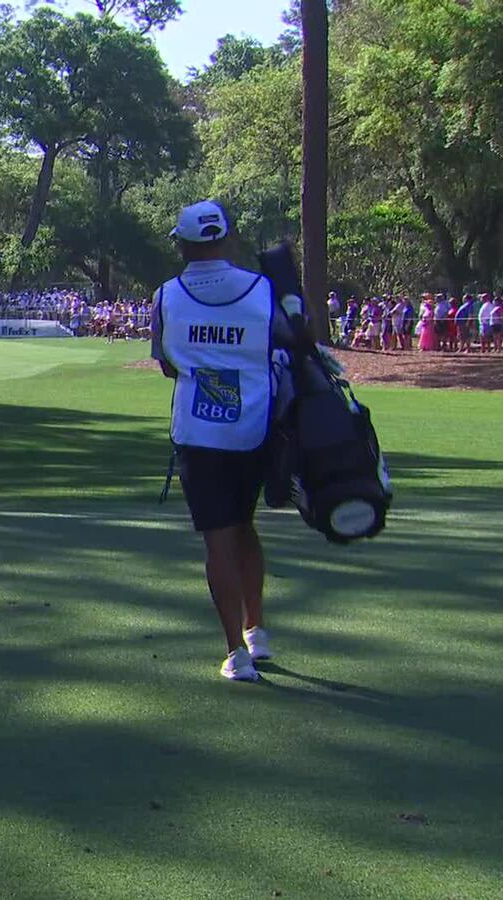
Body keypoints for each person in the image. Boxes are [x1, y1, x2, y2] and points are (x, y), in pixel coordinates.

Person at [151, 201, 285, 683]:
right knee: (245, 526)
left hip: (198, 432)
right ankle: (257, 631)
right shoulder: (263, 288)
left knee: (219, 541)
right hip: (254, 428)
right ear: (226, 238)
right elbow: (285, 343)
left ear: (184, 245)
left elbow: (167, 363)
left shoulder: (167, 295)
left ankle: (237, 653)